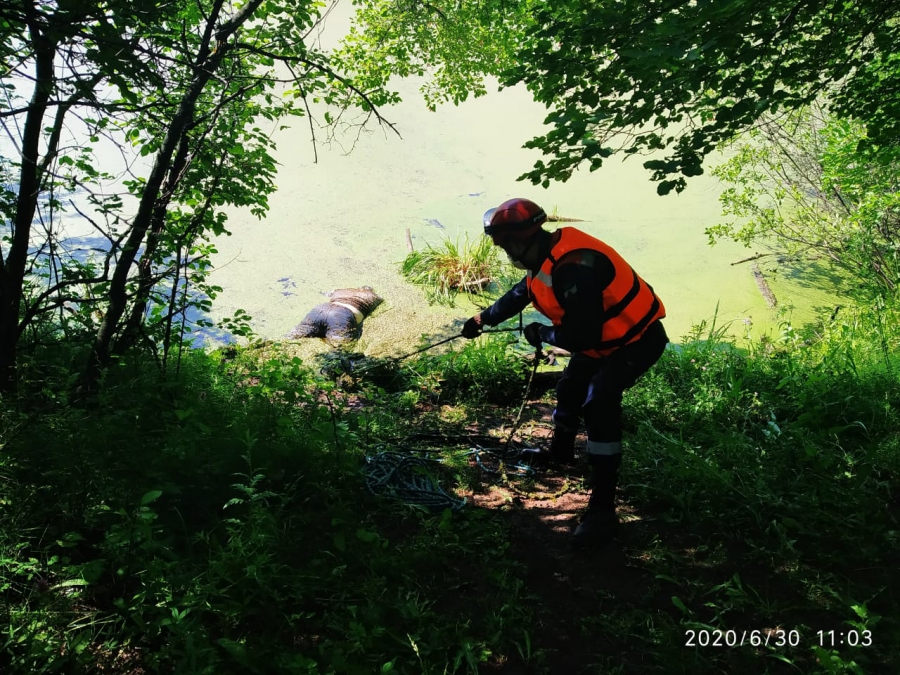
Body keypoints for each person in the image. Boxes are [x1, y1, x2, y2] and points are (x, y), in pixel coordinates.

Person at [461, 198, 669, 548]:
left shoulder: (575, 267)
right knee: (570, 387)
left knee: (599, 403)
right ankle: (560, 453)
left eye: (507, 246)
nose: (506, 254)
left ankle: (603, 509)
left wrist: (542, 333)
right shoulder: (545, 255)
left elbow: (581, 336)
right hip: (603, 341)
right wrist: (482, 319)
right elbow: (521, 293)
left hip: (635, 341)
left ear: (522, 240)